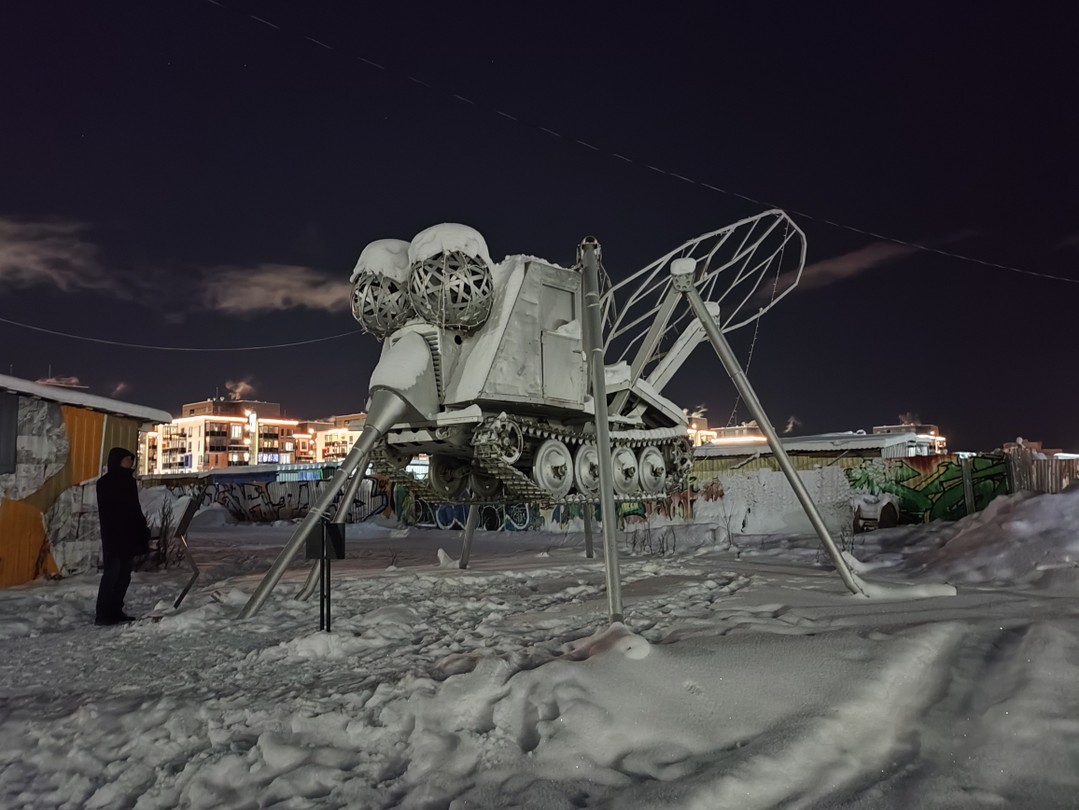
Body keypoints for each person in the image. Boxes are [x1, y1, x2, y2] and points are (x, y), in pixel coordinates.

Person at [94, 446, 150, 625]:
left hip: (128, 535)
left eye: (131, 460)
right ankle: (103, 613)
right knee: (112, 573)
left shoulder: (129, 481)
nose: (130, 462)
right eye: (127, 459)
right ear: (117, 460)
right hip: (115, 535)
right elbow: (114, 510)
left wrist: (141, 528)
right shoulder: (106, 483)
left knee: (124, 575)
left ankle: (115, 609)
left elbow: (135, 508)